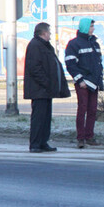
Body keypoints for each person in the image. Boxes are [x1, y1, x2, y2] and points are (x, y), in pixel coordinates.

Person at [23, 22, 70, 153]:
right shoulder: (35, 45)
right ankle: (35, 144)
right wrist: (47, 83)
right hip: (39, 89)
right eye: (49, 32)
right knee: (38, 118)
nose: (50, 34)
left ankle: (43, 142)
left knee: (45, 118)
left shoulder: (44, 45)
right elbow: (34, 68)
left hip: (46, 90)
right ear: (43, 33)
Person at [65, 18, 104, 148]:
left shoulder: (95, 43)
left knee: (92, 110)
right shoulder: (74, 44)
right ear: (85, 27)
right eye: (91, 26)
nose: (93, 29)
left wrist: (99, 78)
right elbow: (70, 64)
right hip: (83, 83)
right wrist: (80, 80)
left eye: (93, 26)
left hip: (94, 83)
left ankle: (89, 136)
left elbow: (98, 63)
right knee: (82, 109)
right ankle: (80, 138)